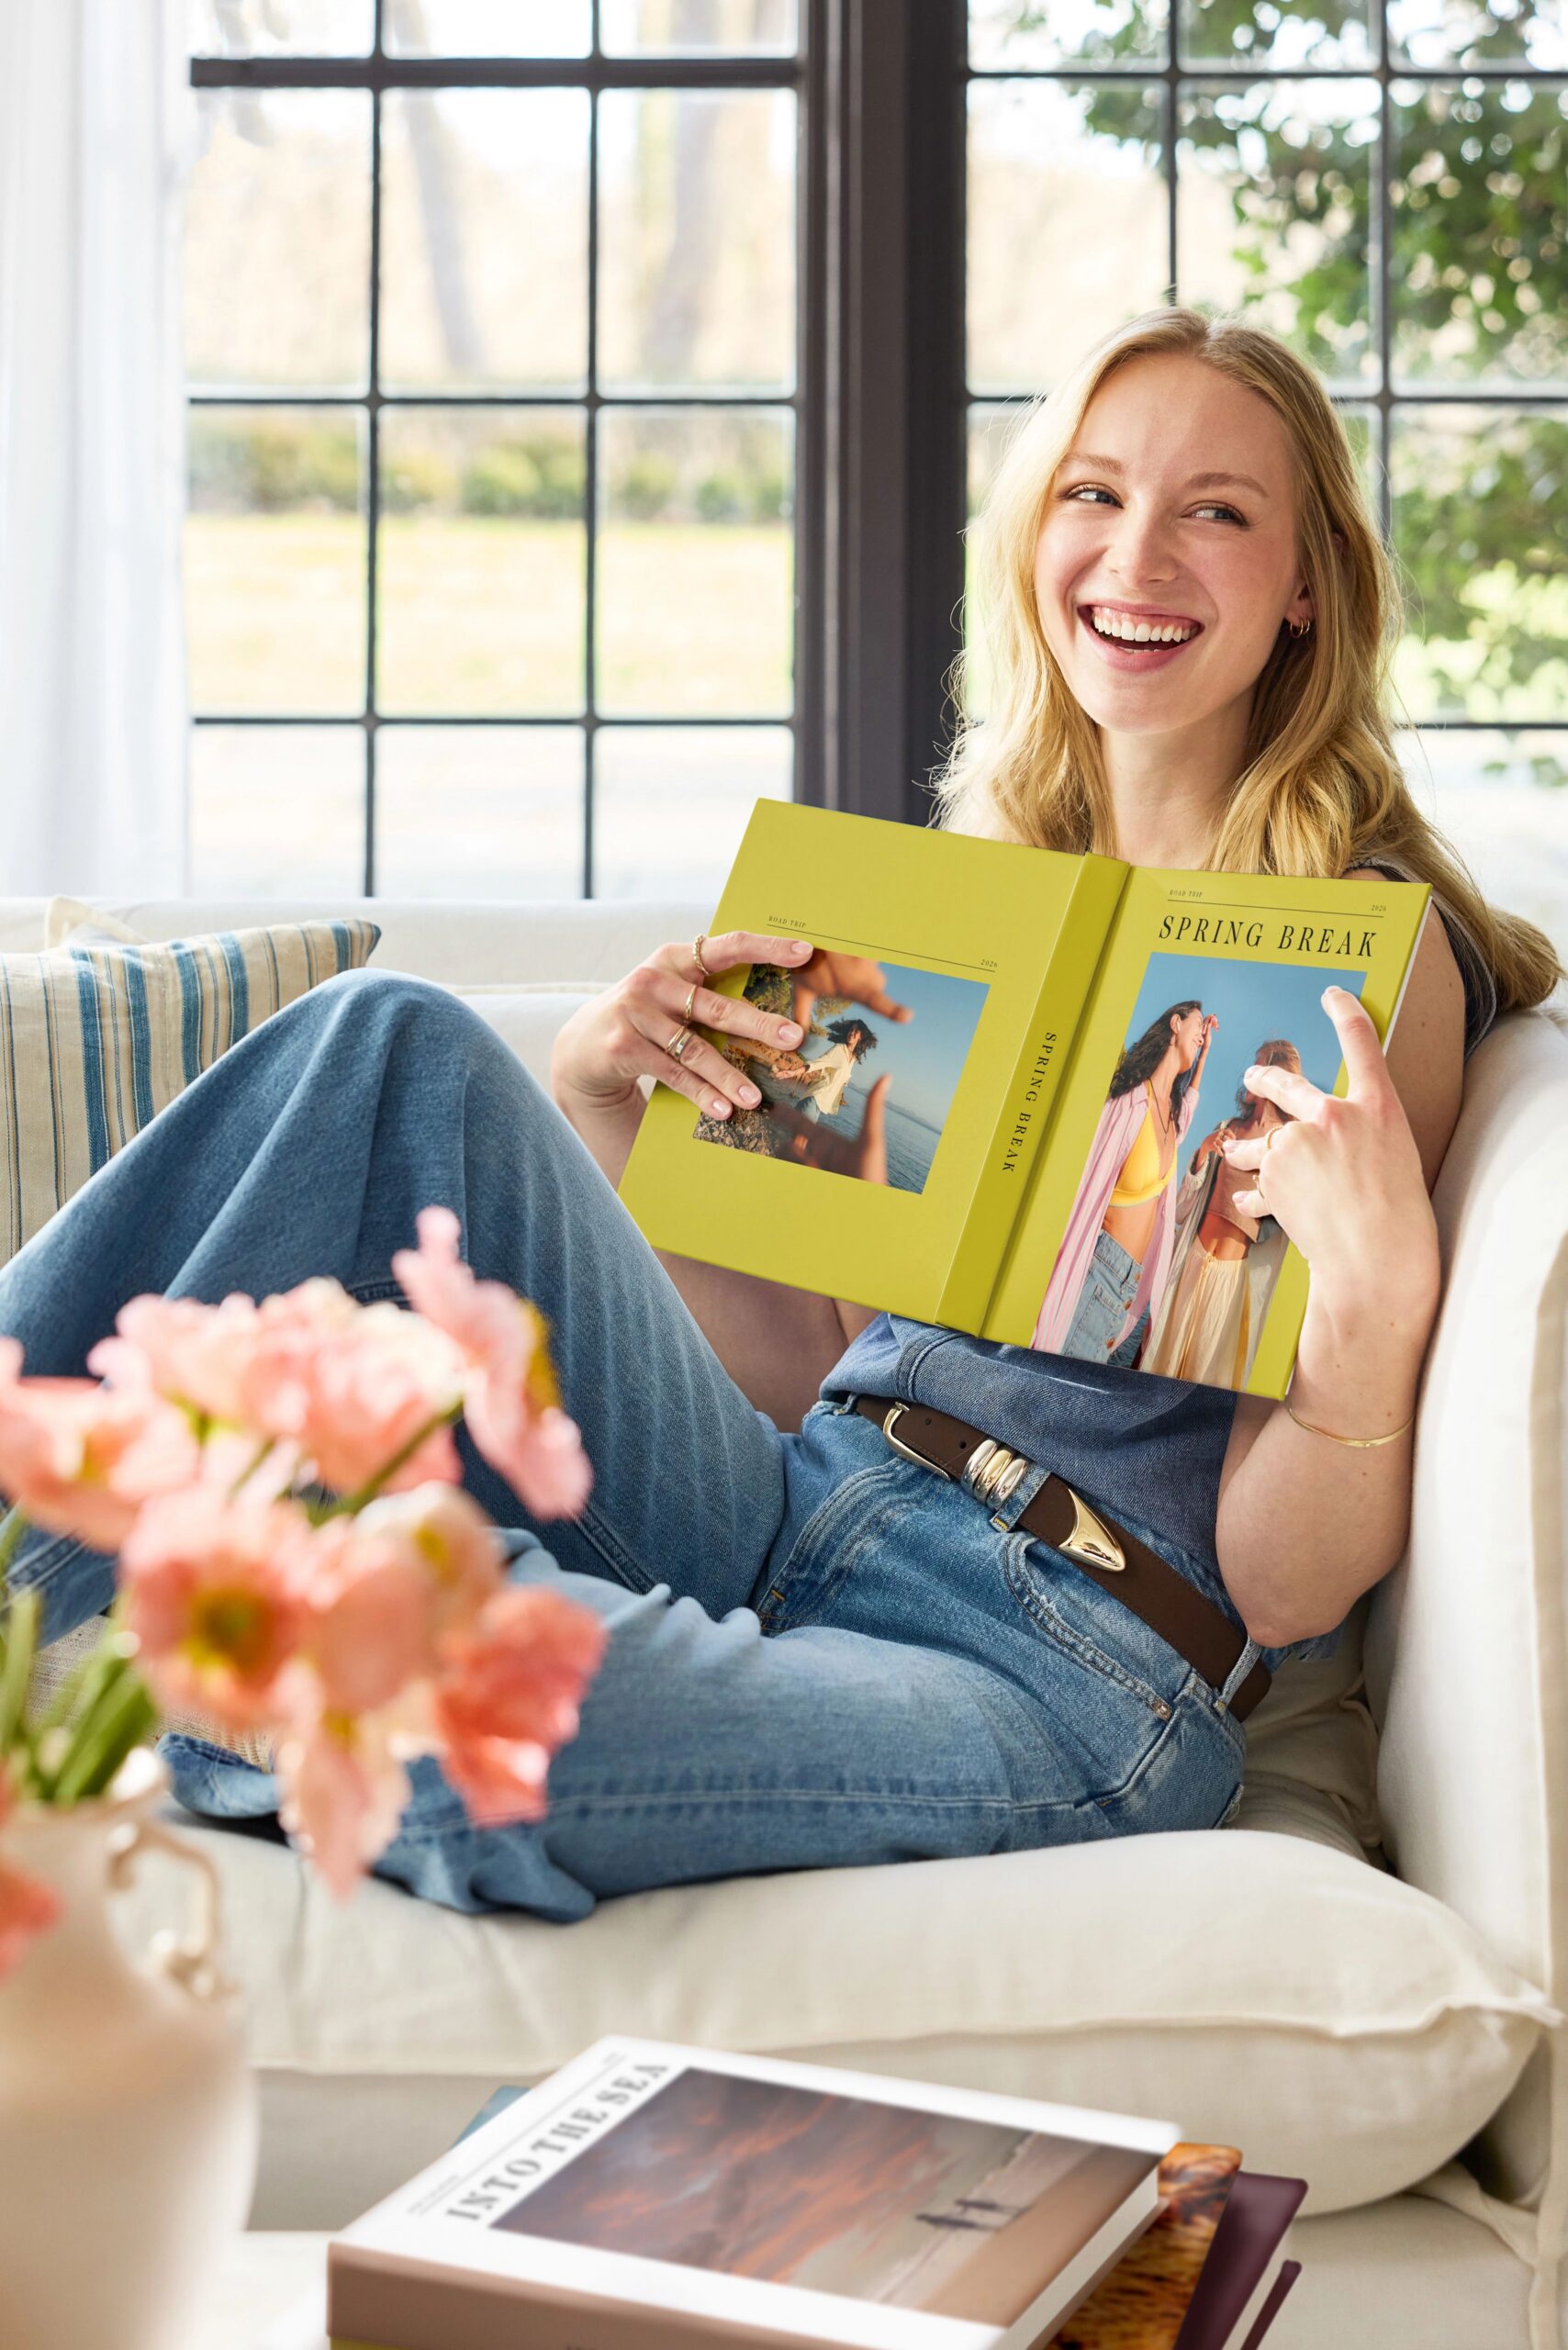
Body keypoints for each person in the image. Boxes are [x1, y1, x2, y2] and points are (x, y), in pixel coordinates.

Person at [5, 308, 1562, 1922]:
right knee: (389, 1043)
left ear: (1305, 583)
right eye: (1092, 495)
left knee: (480, 1708)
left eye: (1215, 511)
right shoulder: (980, 894)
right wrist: (605, 1112)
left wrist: (1368, 1314)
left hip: (1064, 1655)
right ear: (1035, 537)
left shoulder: (1366, 961)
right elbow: (806, 1361)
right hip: (790, 1498)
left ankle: (284, 1631)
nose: (1136, 554)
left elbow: (1285, 1583)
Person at [1033, 1000, 1218, 1366]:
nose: (1203, 1033)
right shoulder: (1128, 1103)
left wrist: (1204, 1057)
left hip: (1127, 1291)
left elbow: (1187, 1108)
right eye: (1198, 1024)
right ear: (1175, 1024)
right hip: (1095, 1272)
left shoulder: (1172, 1117)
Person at [1142, 1042, 1303, 1388]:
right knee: (1158, 1367)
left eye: (1256, 1066)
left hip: (1231, 1284)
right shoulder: (1227, 1126)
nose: (1247, 1075)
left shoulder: (1289, 1143)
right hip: (1190, 1263)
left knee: (1203, 1382)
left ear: (1273, 1077)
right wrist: (1202, 1150)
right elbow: (1183, 1210)